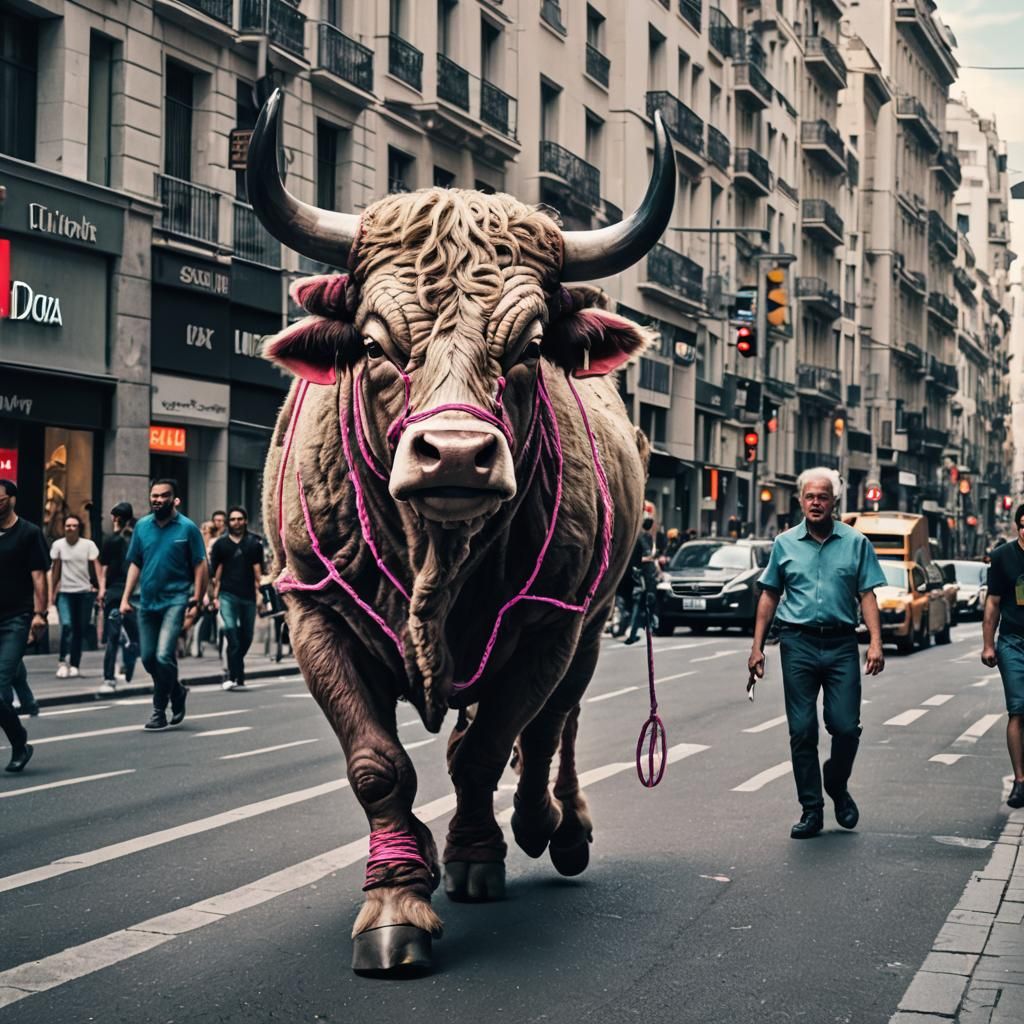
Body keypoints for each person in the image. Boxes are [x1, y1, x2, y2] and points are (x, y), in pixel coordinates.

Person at [747, 468, 886, 839]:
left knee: (845, 727)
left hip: (841, 644)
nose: (816, 503)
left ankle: (836, 783)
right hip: (798, 644)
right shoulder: (784, 544)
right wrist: (757, 647)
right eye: (810, 497)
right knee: (802, 730)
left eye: (823, 497)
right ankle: (812, 809)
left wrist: (875, 641)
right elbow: (769, 595)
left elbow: (867, 595)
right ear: (800, 501)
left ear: (834, 502)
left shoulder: (856, 543)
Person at [121, 479, 208, 731]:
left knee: (163, 655)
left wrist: (197, 600)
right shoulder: (142, 526)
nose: (157, 500)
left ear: (174, 499)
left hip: (176, 600)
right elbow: (135, 563)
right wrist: (126, 598)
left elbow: (200, 565)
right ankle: (177, 691)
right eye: (154, 495)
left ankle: (158, 710)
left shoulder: (188, 528)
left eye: (163, 495)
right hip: (147, 602)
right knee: (148, 658)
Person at [0, 479, 50, 766]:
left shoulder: (29, 533)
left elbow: (39, 576)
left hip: (15, 619)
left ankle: (19, 744)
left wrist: (40, 614)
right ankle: (20, 739)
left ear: (12, 500)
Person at [980, 502, 1024, 809]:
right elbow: (993, 603)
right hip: (1013, 643)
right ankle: (1020, 781)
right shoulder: (1003, 557)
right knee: (1018, 710)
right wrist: (988, 644)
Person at [210, 505, 263, 691]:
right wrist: (212, 597)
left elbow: (258, 572)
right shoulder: (220, 545)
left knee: (246, 637)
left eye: (240, 519)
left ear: (245, 521)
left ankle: (237, 673)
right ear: (228, 522)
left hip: (248, 596)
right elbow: (214, 574)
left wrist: (262, 594)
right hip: (227, 595)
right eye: (232, 519)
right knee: (232, 633)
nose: (236, 522)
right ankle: (233, 676)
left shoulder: (254, 544)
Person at [50, 513, 100, 679]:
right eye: (67, 526)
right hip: (65, 592)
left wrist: (100, 588)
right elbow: (55, 570)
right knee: (67, 625)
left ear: (79, 528)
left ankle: (75, 664)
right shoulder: (58, 545)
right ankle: (63, 661)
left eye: (74, 526)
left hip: (84, 593)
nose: (70, 528)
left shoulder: (88, 545)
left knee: (79, 629)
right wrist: (52, 593)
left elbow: (96, 568)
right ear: (63, 528)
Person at [97, 503, 139, 694]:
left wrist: (102, 589)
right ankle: (128, 663)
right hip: (134, 592)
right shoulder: (138, 538)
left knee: (112, 635)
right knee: (133, 633)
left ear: (116, 519)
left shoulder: (112, 540)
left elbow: (104, 568)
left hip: (116, 592)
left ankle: (108, 678)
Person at [624, 512, 660, 645]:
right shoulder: (643, 538)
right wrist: (649, 560)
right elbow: (641, 558)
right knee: (641, 605)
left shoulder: (645, 538)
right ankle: (636, 633)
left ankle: (642, 631)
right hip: (644, 577)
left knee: (644, 605)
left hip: (647, 576)